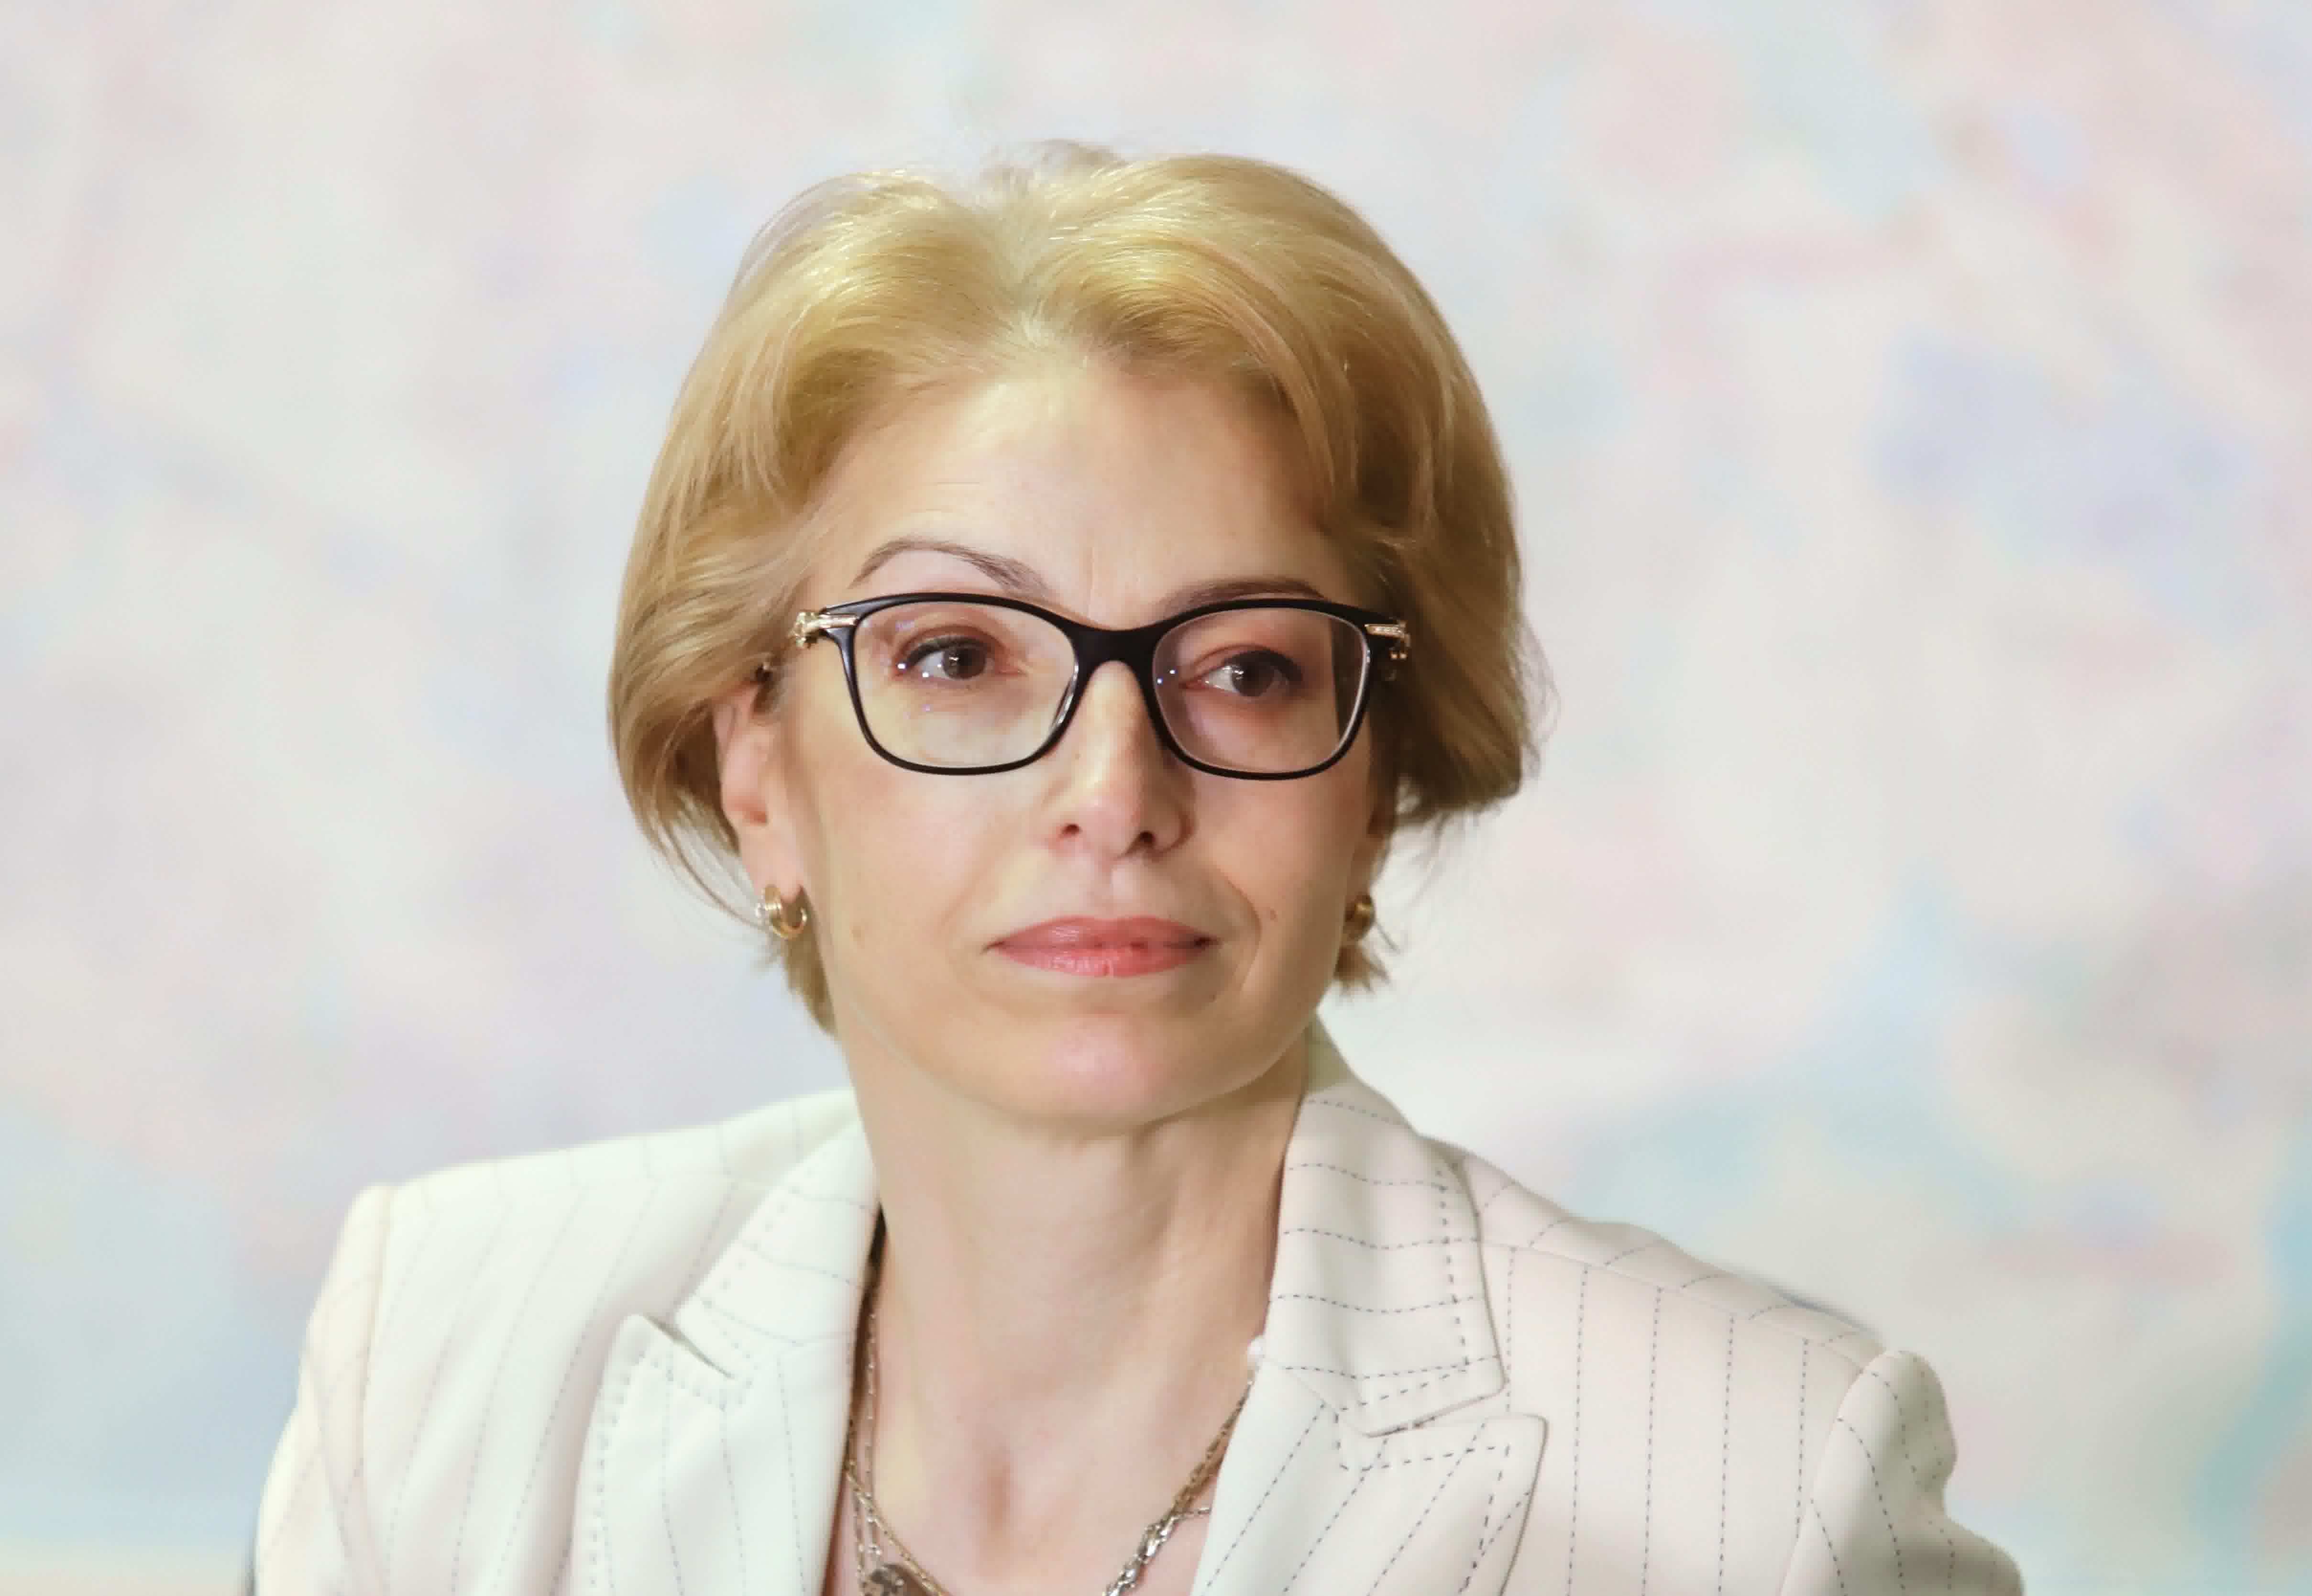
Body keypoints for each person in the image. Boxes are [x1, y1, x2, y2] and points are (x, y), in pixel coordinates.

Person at [253, 145, 2019, 1596]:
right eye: (957, 654)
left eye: (1244, 666)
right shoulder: (443, 1362)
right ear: (758, 768)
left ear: (1376, 788)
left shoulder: (1759, 1499)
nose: (1114, 793)